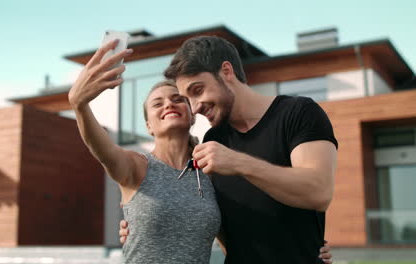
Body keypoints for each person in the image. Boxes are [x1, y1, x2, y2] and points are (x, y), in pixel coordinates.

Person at [120, 35, 338, 264]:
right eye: (187, 99)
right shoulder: (213, 139)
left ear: (226, 71)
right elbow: (207, 215)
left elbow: (319, 192)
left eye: (198, 90)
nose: (195, 107)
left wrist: (238, 162)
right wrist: (139, 223)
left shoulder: (298, 113)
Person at [68, 39, 221, 264]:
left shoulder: (209, 172)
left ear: (192, 115)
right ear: (148, 125)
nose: (169, 104)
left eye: (177, 99)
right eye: (157, 104)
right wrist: (79, 106)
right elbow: (100, 147)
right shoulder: (136, 166)